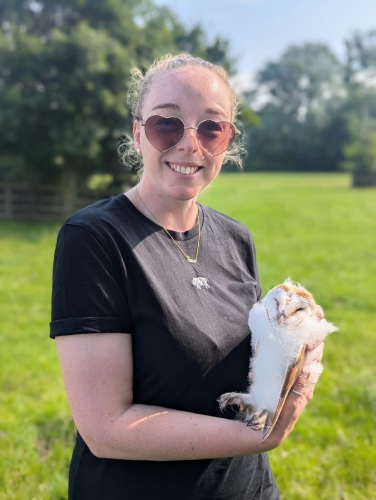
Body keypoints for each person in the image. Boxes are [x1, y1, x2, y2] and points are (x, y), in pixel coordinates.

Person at [50, 53, 323, 499]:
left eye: (211, 128)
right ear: (139, 135)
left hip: (250, 488)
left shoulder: (236, 238)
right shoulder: (94, 238)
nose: (189, 144)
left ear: (227, 142)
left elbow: (249, 374)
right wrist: (261, 436)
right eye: (167, 124)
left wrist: (296, 335)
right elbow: (105, 427)